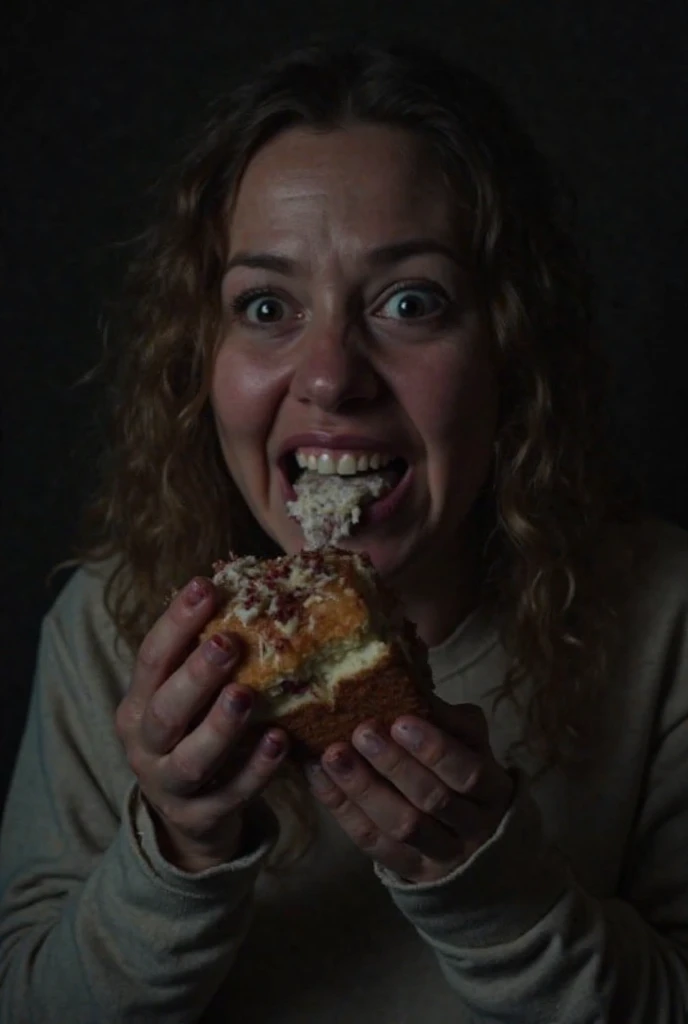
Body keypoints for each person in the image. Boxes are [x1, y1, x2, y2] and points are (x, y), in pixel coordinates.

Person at [1, 35, 687, 1024]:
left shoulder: (665, 618)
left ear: (510, 349)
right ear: (205, 354)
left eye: (410, 302)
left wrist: (491, 893)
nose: (329, 377)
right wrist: (179, 855)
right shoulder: (112, 629)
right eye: (267, 305)